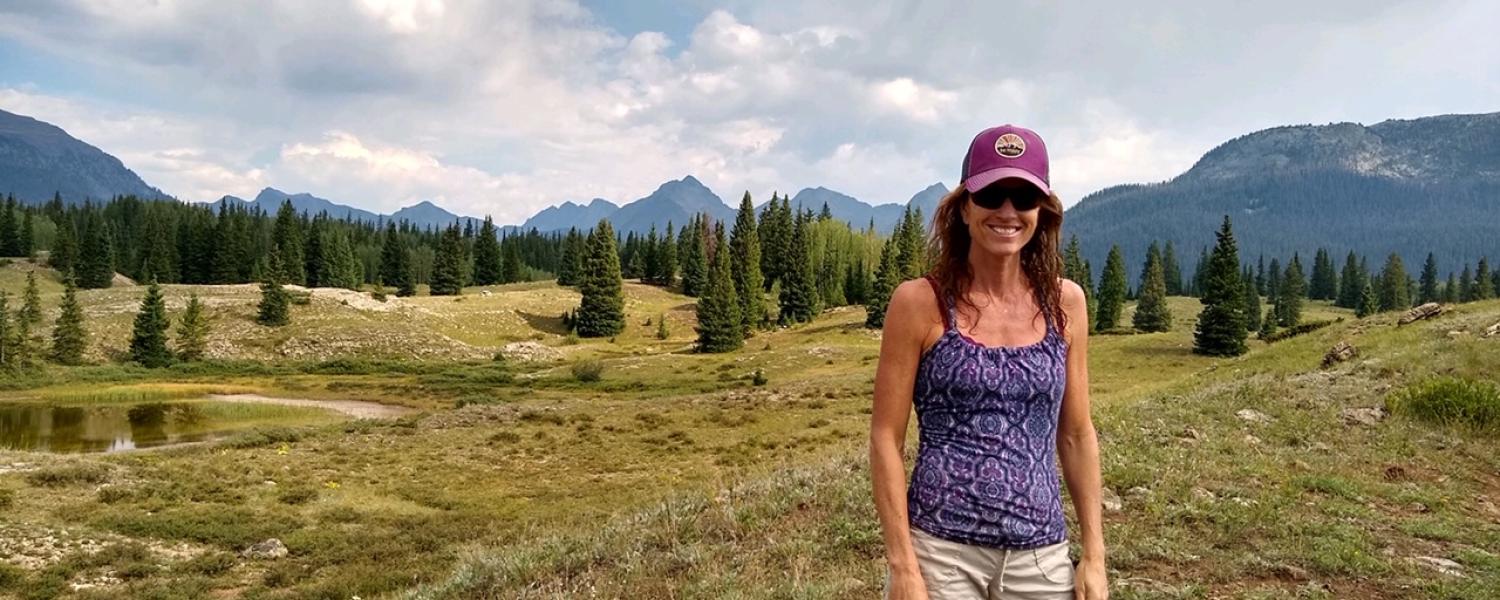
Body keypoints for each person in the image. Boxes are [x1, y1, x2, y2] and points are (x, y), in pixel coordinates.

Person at [870, 124, 1107, 600]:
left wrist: (1095, 556)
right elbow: (885, 437)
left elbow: (1076, 433)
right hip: (941, 552)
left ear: (1042, 211)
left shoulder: (1067, 304)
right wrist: (904, 565)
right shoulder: (920, 303)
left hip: (1040, 555)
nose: (1007, 212)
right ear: (963, 207)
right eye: (991, 194)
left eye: (1023, 198)